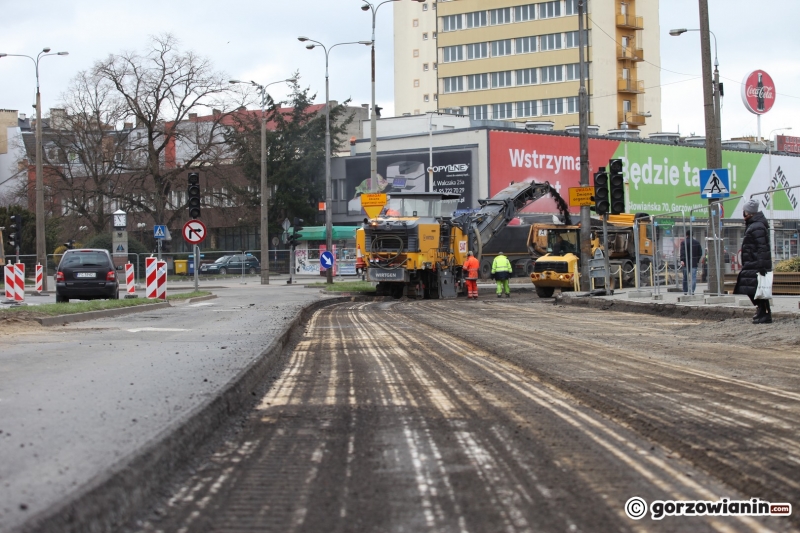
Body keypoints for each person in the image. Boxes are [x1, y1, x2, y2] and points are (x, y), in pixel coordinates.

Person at [734, 199, 773, 324]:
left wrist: (761, 265)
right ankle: (762, 311)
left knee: (756, 289)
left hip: (755, 263)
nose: (743, 213)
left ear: (749, 212)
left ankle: (764, 312)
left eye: (744, 211)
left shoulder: (757, 226)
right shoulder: (754, 225)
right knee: (754, 288)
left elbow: (762, 247)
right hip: (752, 262)